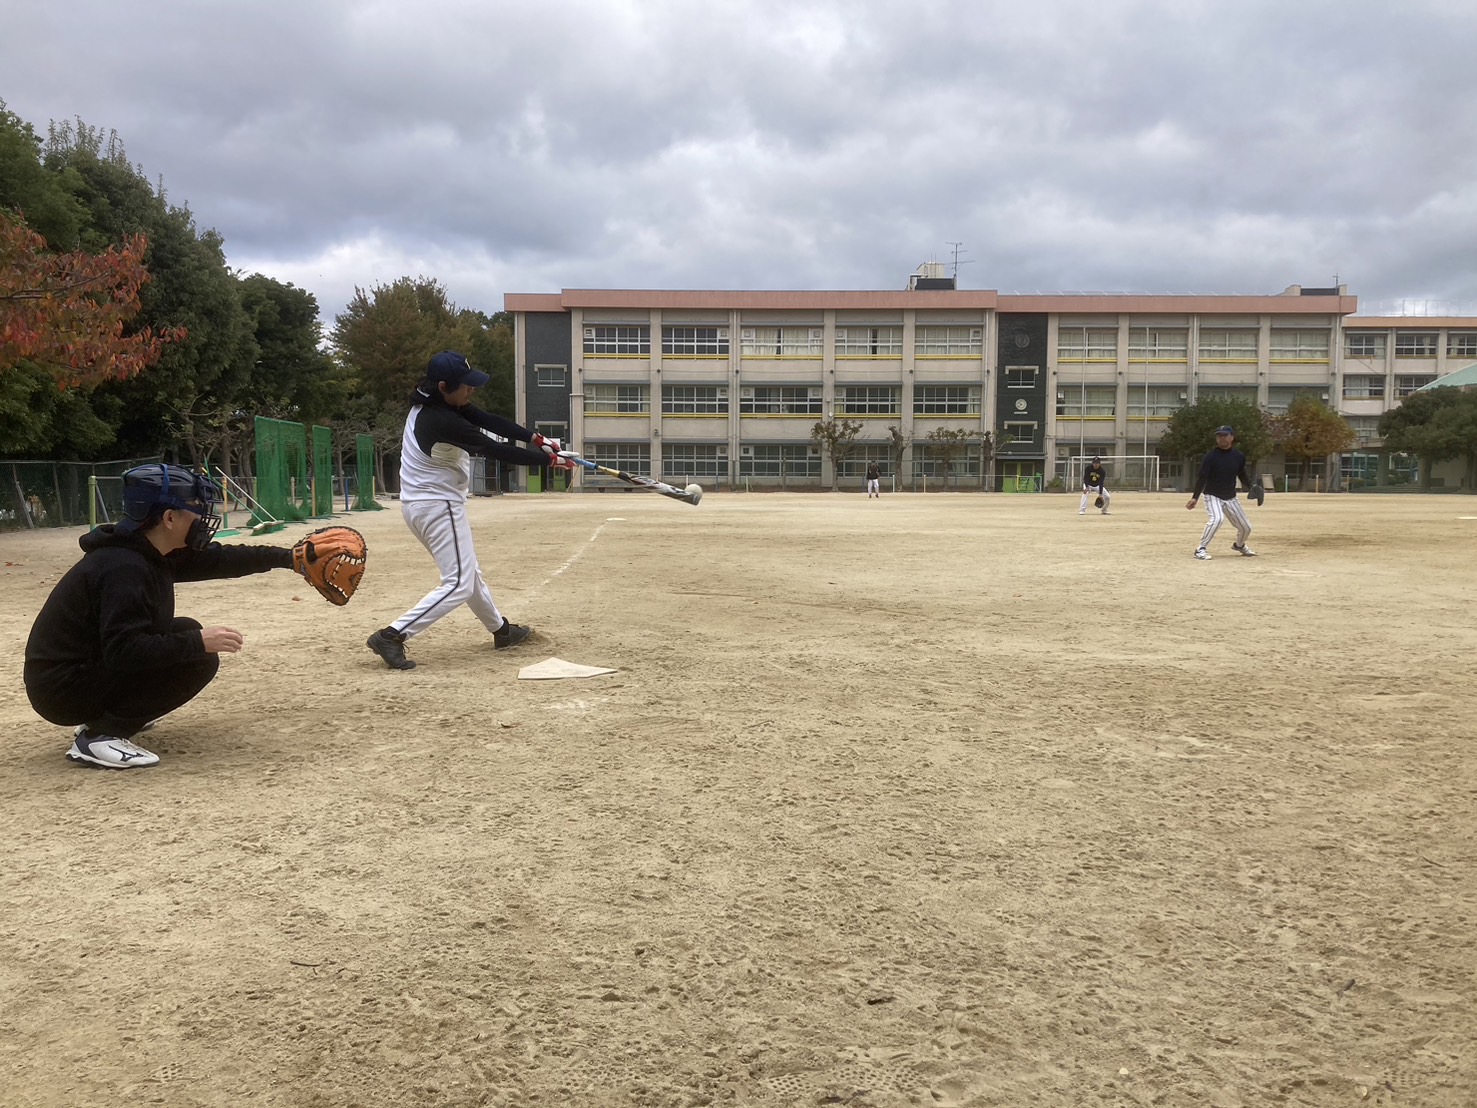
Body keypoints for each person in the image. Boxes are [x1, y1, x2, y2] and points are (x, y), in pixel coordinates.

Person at [24, 463, 299, 770]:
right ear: (169, 518)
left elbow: (220, 559)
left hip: (77, 674)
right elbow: (124, 651)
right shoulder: (125, 568)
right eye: (195, 508)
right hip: (63, 690)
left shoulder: (148, 552)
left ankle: (110, 717)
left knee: (185, 630)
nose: (203, 518)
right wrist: (198, 642)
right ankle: (101, 735)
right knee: (197, 654)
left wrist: (288, 558)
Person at [366, 351, 573, 671]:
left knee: (468, 574)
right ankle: (392, 635)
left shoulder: (438, 402)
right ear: (445, 386)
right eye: (466, 386)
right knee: (459, 582)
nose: (471, 390)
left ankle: (502, 632)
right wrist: (549, 461)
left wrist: (536, 438)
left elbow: (490, 420)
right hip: (438, 506)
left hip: (424, 505)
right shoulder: (442, 420)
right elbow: (494, 449)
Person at [1186, 425, 1257, 560]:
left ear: (1232, 437)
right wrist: (1195, 497)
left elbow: (1241, 474)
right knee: (1217, 519)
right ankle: (1200, 549)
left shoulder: (1239, 456)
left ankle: (1239, 545)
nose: (1221, 438)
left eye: (1225, 435)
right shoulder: (1210, 457)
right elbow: (1202, 477)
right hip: (1213, 495)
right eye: (1219, 435)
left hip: (1230, 497)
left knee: (1246, 527)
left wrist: (1251, 486)